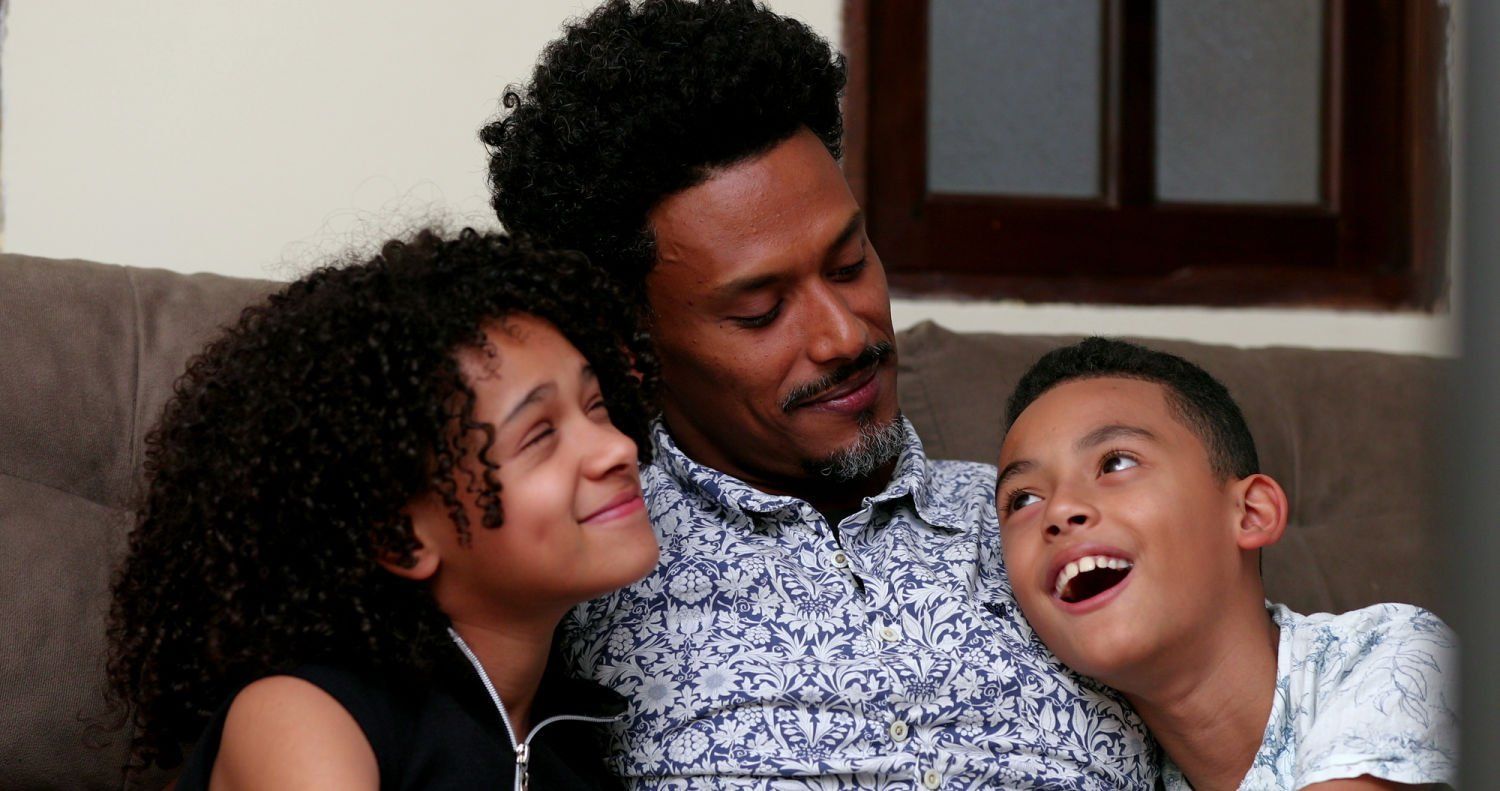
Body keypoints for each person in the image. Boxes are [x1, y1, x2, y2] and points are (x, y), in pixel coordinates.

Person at [482, 1, 1152, 786]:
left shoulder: (1060, 526)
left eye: (848, 265)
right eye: (761, 311)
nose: (844, 336)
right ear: (631, 348)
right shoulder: (585, 570)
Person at [106, 229, 662, 790]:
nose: (617, 448)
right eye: (539, 436)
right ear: (401, 538)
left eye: (596, 405)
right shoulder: (307, 714)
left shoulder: (579, 749)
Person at [996, 337, 1458, 790]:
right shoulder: (1095, 767)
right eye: (1023, 500)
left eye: (1115, 463)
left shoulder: (1396, 654)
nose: (1059, 510)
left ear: (1250, 513)